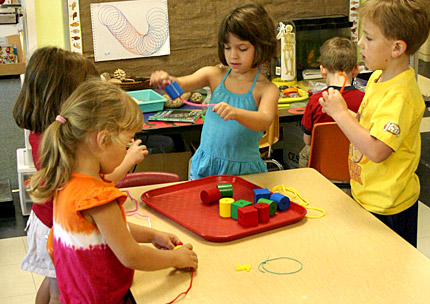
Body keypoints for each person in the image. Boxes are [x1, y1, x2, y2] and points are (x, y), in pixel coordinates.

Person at [28, 80, 198, 304]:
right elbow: (131, 255)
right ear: (102, 140)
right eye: (126, 143)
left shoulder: (65, 181)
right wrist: (175, 258)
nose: (127, 150)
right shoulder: (97, 197)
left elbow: (109, 230)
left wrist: (153, 235)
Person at [12, 47, 148, 304]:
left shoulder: (52, 132)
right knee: (59, 290)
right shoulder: (63, 141)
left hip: (52, 224)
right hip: (55, 227)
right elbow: (95, 185)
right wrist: (127, 161)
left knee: (54, 283)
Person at [318, 0, 430, 247]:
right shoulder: (377, 78)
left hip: (389, 206)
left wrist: (341, 115)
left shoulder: (401, 96)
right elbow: (368, 127)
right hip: (367, 195)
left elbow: (376, 150)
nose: (359, 43)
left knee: (389, 274)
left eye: (369, 38)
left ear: (396, 48)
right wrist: (341, 111)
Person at [150, 4, 279, 179]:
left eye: (242, 49)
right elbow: (180, 85)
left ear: (262, 47)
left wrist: (236, 113)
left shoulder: (267, 89)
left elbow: (264, 121)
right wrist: (166, 81)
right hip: (206, 166)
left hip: (244, 171)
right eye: (227, 47)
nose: (233, 55)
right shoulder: (214, 74)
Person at [298, 37, 364, 168]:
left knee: (305, 152)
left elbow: (308, 140)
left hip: (321, 170)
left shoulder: (316, 100)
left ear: (322, 70)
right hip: (354, 167)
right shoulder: (365, 99)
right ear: (356, 69)